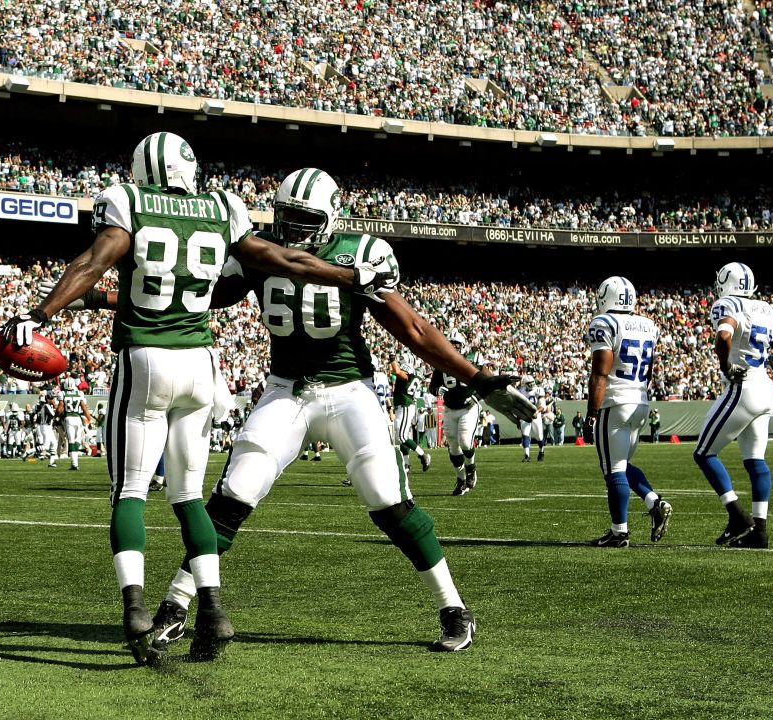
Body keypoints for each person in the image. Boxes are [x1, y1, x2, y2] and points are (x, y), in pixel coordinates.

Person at [2, 135, 397, 665]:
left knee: (130, 490)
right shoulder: (222, 206)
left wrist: (40, 314)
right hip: (201, 365)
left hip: (145, 355)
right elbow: (286, 260)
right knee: (189, 496)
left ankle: (136, 609)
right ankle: (211, 609)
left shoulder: (128, 200)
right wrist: (349, 276)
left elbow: (94, 263)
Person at [115, 168, 534, 658]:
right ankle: (178, 603)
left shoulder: (358, 254)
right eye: (286, 217)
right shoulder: (258, 251)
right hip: (285, 391)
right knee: (234, 493)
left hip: (348, 389)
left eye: (304, 219)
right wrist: (106, 298)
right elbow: (192, 295)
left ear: (330, 218)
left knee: (387, 499)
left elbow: (413, 329)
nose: (292, 229)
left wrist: (476, 378)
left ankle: (454, 607)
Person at [693, 263, 773, 549]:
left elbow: (724, 335)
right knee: (755, 460)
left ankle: (737, 516)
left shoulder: (727, 304)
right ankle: (760, 531)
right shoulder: (765, 308)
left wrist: (726, 367)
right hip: (766, 388)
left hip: (742, 386)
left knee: (704, 452)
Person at [582, 277, 672, 547]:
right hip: (640, 401)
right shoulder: (648, 325)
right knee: (622, 464)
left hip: (615, 401)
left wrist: (591, 414)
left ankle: (619, 532)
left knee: (614, 469)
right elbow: (651, 370)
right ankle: (654, 502)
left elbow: (600, 373)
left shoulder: (605, 323)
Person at [430, 330, 482, 496]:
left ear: (461, 346)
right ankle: (460, 480)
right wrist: (438, 390)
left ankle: (471, 468)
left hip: (468, 409)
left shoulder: (471, 361)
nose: (453, 346)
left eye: (456, 344)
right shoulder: (441, 364)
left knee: (465, 442)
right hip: (450, 409)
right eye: (450, 343)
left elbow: (485, 384)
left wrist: (476, 397)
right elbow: (432, 387)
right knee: (453, 447)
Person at [391, 356, 431, 473]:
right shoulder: (413, 374)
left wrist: (392, 358)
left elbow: (397, 371)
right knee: (402, 436)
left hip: (405, 405)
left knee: (402, 436)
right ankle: (406, 464)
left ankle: (423, 455)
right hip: (405, 405)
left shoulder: (406, 374)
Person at [59, 378, 91, 470]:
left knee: (72, 441)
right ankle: (75, 463)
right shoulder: (79, 393)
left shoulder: (63, 394)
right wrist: (89, 418)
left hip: (69, 418)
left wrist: (56, 416)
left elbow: (60, 408)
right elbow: (84, 408)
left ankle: (74, 464)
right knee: (78, 440)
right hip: (78, 418)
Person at [518, 378, 547, 462]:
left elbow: (542, 406)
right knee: (525, 434)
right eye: (529, 383)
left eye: (532, 382)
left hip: (536, 415)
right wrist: (518, 417)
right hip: (525, 415)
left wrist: (537, 411)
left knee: (539, 436)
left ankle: (541, 450)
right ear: (525, 384)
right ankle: (527, 455)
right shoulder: (521, 390)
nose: (531, 384)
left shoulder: (538, 390)